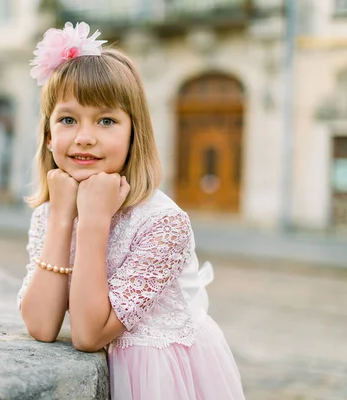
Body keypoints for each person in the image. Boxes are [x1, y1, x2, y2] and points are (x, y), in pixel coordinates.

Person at [17, 22, 245, 399]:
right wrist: (60, 217)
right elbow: (41, 325)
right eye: (68, 119)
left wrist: (93, 220)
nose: (85, 136)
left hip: (161, 377)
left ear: (133, 133)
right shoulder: (50, 212)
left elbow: (89, 335)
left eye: (106, 120)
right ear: (48, 135)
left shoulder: (163, 223)